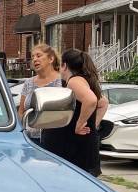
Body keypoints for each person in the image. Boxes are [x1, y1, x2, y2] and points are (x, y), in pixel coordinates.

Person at [41, 48, 102, 176]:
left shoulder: (74, 81)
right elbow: (103, 103)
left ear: (65, 66)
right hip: (83, 146)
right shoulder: (86, 80)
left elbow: (91, 100)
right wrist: (93, 125)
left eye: (60, 64)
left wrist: (80, 124)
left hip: (75, 148)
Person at [17, 44, 63, 140]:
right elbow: (21, 112)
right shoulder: (28, 83)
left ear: (51, 59)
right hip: (30, 139)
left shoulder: (62, 81)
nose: (34, 59)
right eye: (32, 57)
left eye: (38, 56)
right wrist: (22, 132)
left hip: (55, 139)